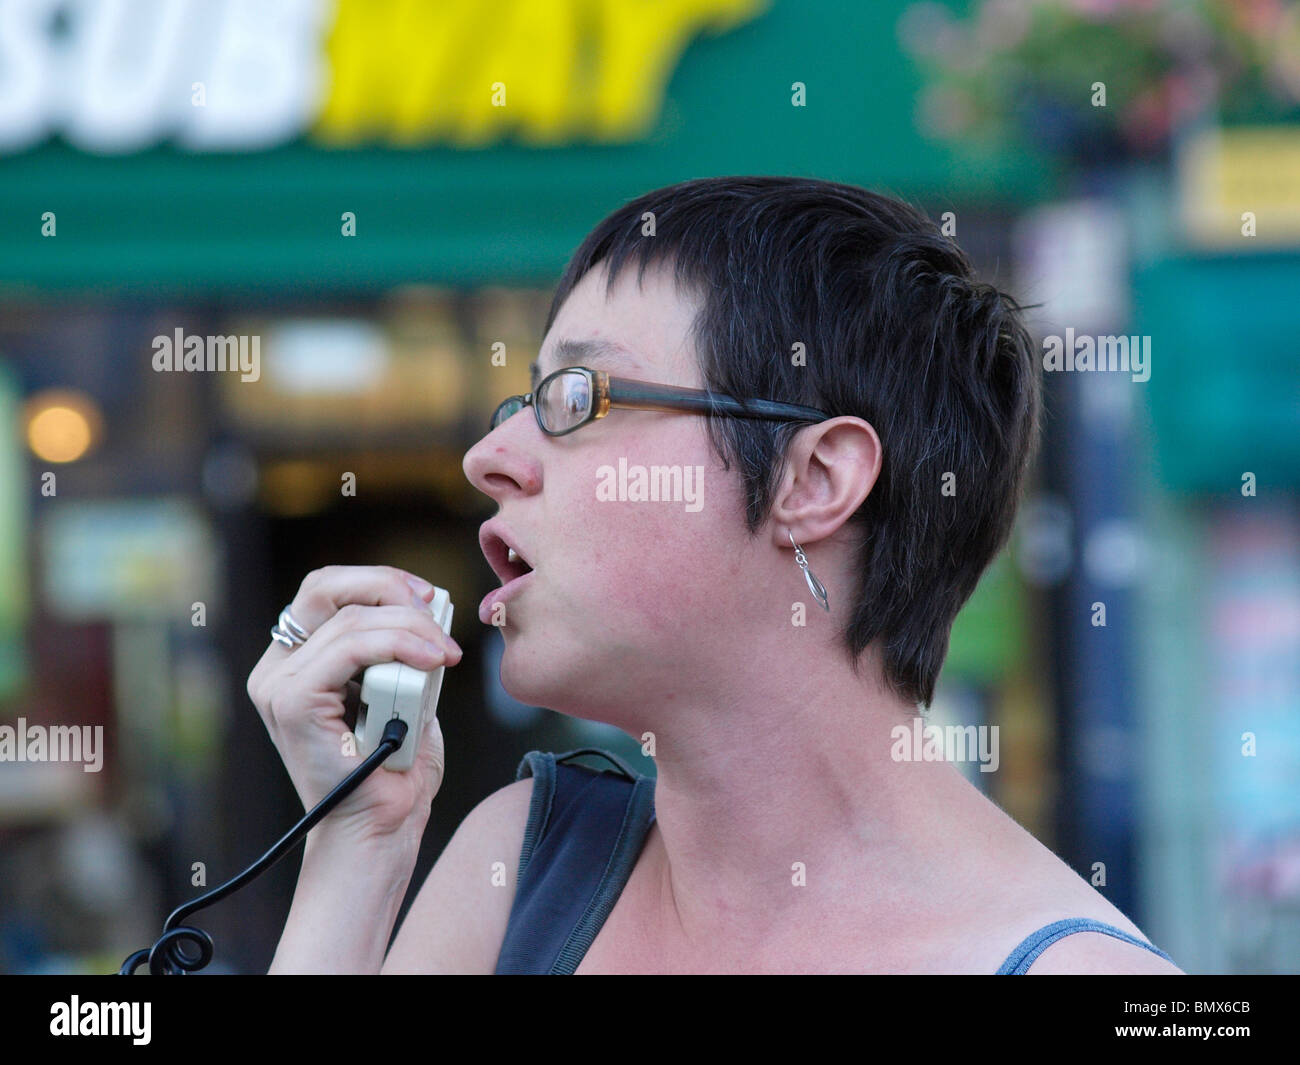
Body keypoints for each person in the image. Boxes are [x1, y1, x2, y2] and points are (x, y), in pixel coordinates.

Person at [248, 176, 1182, 974]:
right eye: (521, 400)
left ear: (814, 481)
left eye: (576, 398)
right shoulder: (527, 868)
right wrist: (355, 844)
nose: (489, 456)